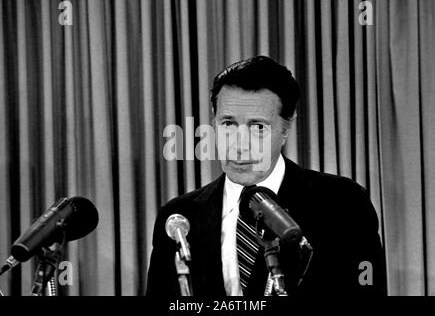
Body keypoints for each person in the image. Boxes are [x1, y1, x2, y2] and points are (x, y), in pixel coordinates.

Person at [146, 56, 387, 297]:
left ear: (286, 128)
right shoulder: (178, 218)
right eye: (228, 123)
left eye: (258, 127)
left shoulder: (343, 203)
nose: (239, 146)